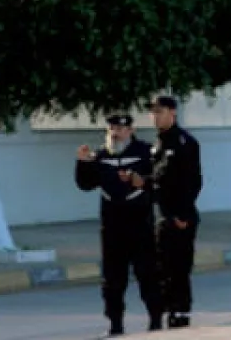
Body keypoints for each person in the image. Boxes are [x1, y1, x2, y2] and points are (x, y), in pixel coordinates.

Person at [75, 114, 162, 337]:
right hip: (112, 225)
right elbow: (86, 184)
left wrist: (141, 181)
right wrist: (83, 163)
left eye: (122, 128)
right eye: (113, 128)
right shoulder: (101, 155)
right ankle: (115, 325)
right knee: (113, 279)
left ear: (131, 130)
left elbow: (160, 181)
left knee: (147, 273)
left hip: (140, 222)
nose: (116, 132)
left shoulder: (145, 152)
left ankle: (155, 321)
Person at [125, 96, 202, 330]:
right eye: (153, 112)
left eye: (160, 111)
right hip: (160, 215)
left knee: (179, 267)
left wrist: (183, 215)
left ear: (172, 113)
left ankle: (181, 312)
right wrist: (140, 182)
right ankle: (168, 312)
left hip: (179, 216)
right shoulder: (158, 145)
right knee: (162, 267)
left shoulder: (184, 142)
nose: (155, 116)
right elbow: (158, 180)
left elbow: (192, 182)